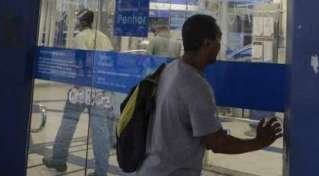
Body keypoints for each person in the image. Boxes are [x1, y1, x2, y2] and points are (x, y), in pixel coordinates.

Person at [138, 14, 282, 176]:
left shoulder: (170, 69)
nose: (220, 47)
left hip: (152, 168)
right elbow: (217, 143)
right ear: (207, 43)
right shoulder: (196, 86)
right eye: (218, 41)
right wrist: (259, 142)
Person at [44, 9, 115, 176]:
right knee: (100, 130)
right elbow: (111, 61)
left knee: (68, 122)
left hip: (82, 88)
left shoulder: (79, 38)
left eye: (77, 19)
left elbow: (83, 62)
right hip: (101, 89)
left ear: (82, 22)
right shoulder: (103, 37)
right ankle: (101, 171)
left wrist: (77, 85)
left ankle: (59, 160)